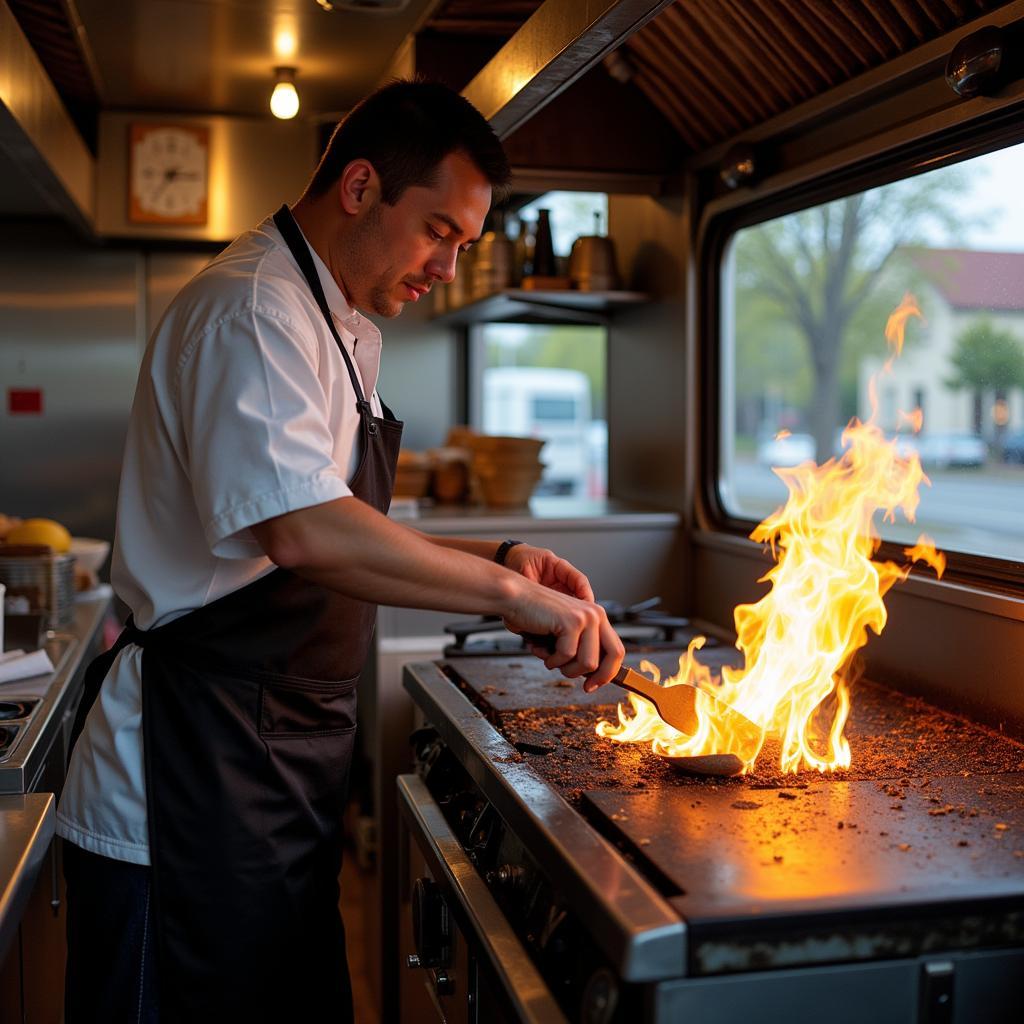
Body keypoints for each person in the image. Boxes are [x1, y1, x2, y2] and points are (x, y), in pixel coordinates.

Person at [57, 78, 625, 1023]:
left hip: (269, 781)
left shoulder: (337, 323)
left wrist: (505, 553)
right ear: (360, 186)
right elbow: (303, 531)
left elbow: (333, 519)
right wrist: (507, 597)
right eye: (439, 231)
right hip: (180, 796)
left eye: (466, 245)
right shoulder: (253, 310)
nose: (448, 266)